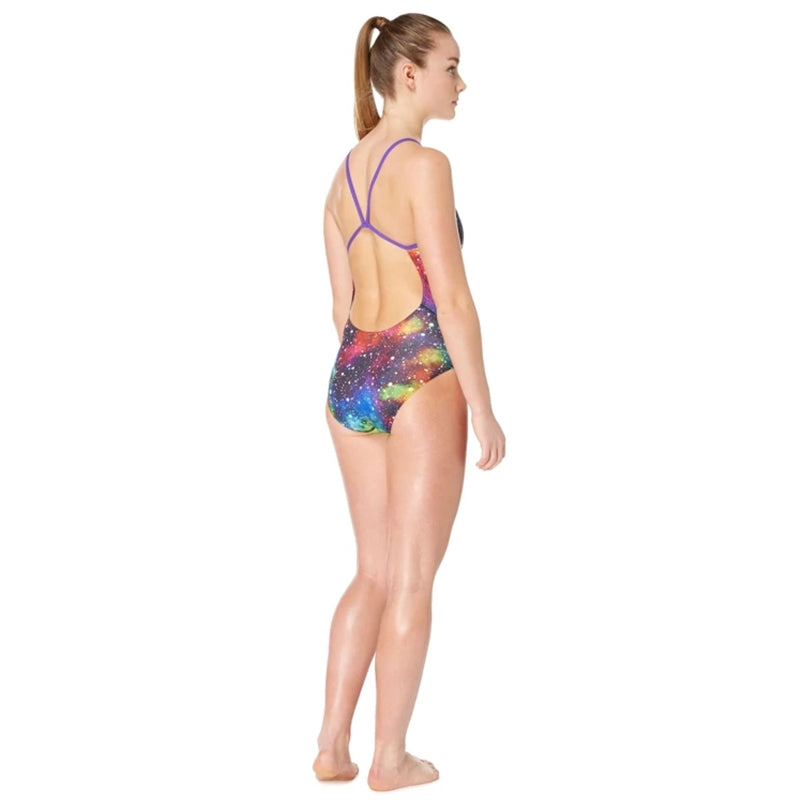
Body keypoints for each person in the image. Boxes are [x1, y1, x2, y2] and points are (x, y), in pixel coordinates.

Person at [313, 13, 505, 792]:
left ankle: (332, 747)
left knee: (372, 572)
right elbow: (451, 298)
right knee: (413, 580)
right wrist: (482, 406)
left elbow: (341, 308)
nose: (462, 83)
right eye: (452, 67)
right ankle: (389, 760)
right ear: (409, 75)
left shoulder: (342, 177)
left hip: (352, 378)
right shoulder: (425, 166)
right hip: (420, 372)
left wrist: (372, 367)